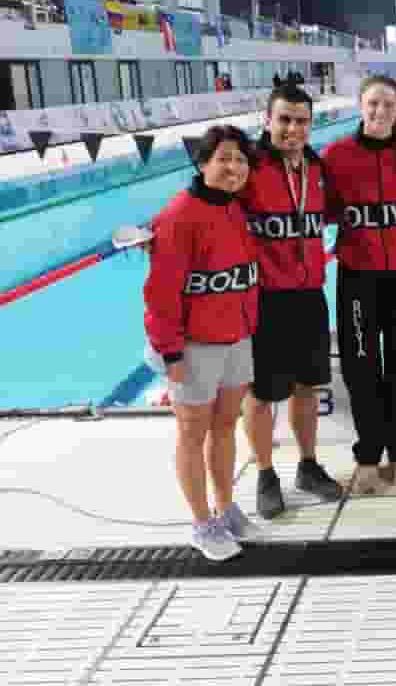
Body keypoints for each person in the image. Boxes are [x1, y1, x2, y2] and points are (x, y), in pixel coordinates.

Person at [144, 125, 260, 561]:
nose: (234, 168)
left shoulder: (234, 208)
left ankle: (225, 506)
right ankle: (200, 522)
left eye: (241, 160)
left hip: (237, 337)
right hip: (196, 345)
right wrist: (170, 351)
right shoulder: (179, 216)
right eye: (224, 158)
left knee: (226, 424)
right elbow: (160, 295)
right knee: (192, 431)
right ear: (203, 162)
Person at [238, 84, 343, 520]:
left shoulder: (316, 169)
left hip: (309, 296)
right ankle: (265, 474)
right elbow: (208, 205)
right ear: (268, 121)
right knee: (261, 395)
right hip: (265, 299)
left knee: (307, 387)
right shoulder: (249, 168)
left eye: (301, 121)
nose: (292, 129)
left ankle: (307, 465)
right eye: (284, 119)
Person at [323, 77, 396, 495]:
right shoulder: (337, 155)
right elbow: (320, 209)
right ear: (360, 107)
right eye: (372, 103)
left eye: (387, 104)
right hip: (358, 277)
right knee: (362, 369)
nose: (380, 111)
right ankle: (367, 457)